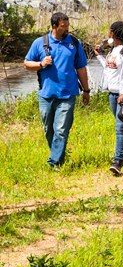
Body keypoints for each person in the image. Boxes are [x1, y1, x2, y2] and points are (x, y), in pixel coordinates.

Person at [24, 12, 90, 169]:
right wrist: (41, 64)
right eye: (63, 26)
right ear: (54, 26)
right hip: (46, 94)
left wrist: (86, 90)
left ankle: (54, 162)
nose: (67, 28)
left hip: (68, 94)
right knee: (49, 129)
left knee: (61, 129)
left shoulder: (74, 42)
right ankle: (59, 155)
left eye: (67, 25)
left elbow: (81, 68)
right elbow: (26, 64)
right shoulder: (40, 43)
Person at [94, 21, 123, 176]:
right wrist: (99, 56)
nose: (108, 33)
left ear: (113, 33)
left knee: (120, 127)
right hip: (113, 93)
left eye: (109, 30)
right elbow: (109, 69)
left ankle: (117, 161)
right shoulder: (114, 50)